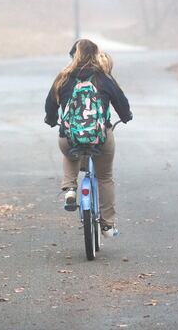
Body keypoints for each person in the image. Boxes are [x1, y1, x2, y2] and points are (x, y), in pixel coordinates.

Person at [44, 39, 132, 237]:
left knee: (69, 153)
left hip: (70, 137)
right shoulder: (104, 78)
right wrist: (126, 117)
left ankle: (70, 189)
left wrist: (51, 120)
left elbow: (50, 106)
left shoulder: (63, 78)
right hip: (101, 138)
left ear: (74, 55)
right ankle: (108, 226)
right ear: (96, 55)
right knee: (105, 177)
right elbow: (123, 105)